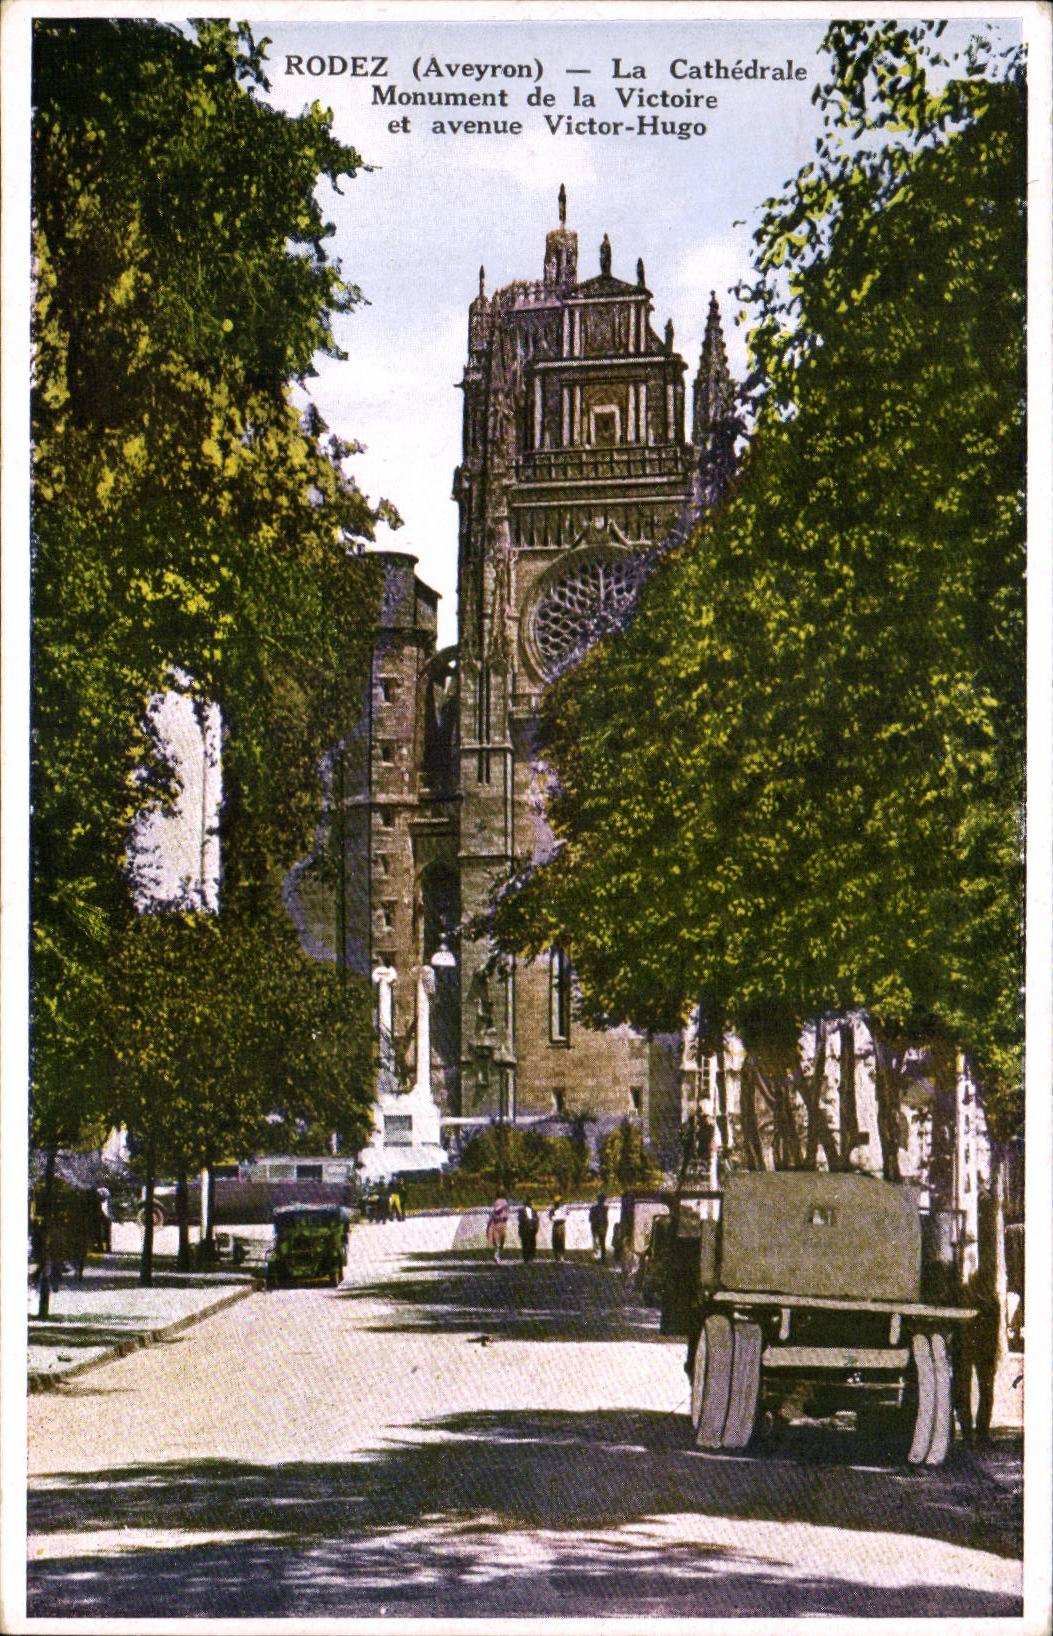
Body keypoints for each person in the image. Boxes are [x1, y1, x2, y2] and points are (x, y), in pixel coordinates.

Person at [486, 1194, 510, 1262]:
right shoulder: (499, 1203)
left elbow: (506, 1214)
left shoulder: (505, 1204)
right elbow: (495, 1211)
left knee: (501, 1241)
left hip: (502, 1224)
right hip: (496, 1224)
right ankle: (497, 1255)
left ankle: (498, 1254)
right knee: (497, 1242)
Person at [589, 1192, 609, 1263]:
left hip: (598, 1226)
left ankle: (599, 1257)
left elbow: (590, 1219)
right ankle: (601, 1258)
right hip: (600, 1226)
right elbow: (591, 1219)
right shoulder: (605, 1208)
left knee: (597, 1242)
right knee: (600, 1242)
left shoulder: (594, 1208)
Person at [518, 1199, 539, 1263]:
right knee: (525, 1244)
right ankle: (526, 1258)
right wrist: (527, 1221)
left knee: (532, 1244)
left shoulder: (534, 1211)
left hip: (532, 1229)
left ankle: (531, 1257)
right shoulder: (521, 1211)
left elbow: (537, 1219)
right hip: (525, 1229)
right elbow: (520, 1219)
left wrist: (535, 1226)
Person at [549, 1197, 568, 1261]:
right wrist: (555, 1218)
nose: (557, 1204)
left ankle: (562, 1255)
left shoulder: (563, 1209)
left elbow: (566, 1216)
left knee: (562, 1241)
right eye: (556, 1203)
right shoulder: (552, 1210)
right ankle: (556, 1256)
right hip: (556, 1226)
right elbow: (551, 1218)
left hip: (561, 1225)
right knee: (555, 1241)